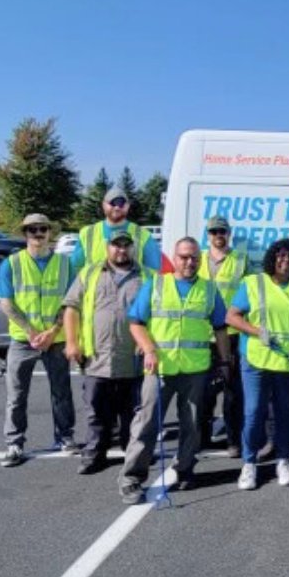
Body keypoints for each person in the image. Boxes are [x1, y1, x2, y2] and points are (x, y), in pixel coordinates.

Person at [118, 238, 230, 504]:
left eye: (193, 258)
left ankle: (185, 468)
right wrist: (149, 349)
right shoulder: (156, 285)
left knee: (192, 424)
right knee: (146, 423)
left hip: (195, 368)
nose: (189, 262)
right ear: (175, 258)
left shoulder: (210, 290)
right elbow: (135, 322)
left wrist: (225, 362)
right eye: (183, 257)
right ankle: (132, 478)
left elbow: (220, 329)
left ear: (199, 260)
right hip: (160, 369)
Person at [225, 238, 289, 491]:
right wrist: (256, 331)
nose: (285, 261)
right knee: (254, 413)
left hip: (286, 363)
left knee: (285, 414)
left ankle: (283, 461)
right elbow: (231, 317)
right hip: (256, 359)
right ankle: (249, 464)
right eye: (281, 256)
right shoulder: (253, 283)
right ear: (272, 258)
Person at [62, 230, 150, 474]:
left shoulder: (147, 276)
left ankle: (133, 454)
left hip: (132, 359)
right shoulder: (89, 273)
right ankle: (94, 454)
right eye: (116, 245)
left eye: (126, 245)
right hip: (96, 358)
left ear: (132, 248)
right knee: (96, 412)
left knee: (133, 414)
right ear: (107, 246)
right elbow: (71, 309)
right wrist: (71, 343)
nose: (121, 250)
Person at [0, 214, 77, 467]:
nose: (38, 233)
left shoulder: (65, 264)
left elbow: (71, 302)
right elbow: (7, 304)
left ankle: (65, 436)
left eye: (43, 229)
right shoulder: (12, 264)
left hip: (56, 339)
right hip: (23, 340)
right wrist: (32, 332)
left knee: (61, 391)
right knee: (17, 394)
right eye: (33, 230)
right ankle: (15, 443)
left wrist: (53, 331)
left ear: (50, 233)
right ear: (25, 234)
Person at [198, 216, 247, 458]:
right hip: (202, 336)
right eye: (214, 231)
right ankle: (202, 437)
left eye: (222, 231)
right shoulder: (197, 261)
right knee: (203, 392)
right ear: (207, 235)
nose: (218, 235)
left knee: (232, 393)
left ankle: (233, 439)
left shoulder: (241, 260)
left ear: (229, 234)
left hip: (231, 335)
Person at [72, 186, 162, 271]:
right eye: (112, 203)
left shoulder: (143, 235)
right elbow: (74, 269)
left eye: (121, 203)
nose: (117, 207)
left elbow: (154, 272)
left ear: (128, 206)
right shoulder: (87, 234)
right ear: (103, 205)